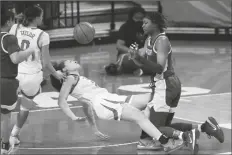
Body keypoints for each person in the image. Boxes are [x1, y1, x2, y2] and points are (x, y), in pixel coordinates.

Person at [49, 60, 201, 154]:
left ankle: (149, 139)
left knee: (154, 100)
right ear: (64, 71)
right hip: (104, 103)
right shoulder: (69, 78)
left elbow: (86, 106)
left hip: (110, 99)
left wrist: (94, 128)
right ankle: (166, 143)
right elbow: (62, 101)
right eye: (68, 61)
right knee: (140, 117)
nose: (72, 60)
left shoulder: (77, 79)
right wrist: (73, 117)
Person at [128, 12, 224, 153]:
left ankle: (185, 137)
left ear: (155, 24)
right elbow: (147, 66)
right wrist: (135, 57)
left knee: (154, 127)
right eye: (142, 23)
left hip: (166, 85)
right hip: (164, 85)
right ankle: (205, 127)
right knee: (165, 126)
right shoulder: (149, 40)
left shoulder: (162, 41)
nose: (142, 25)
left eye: (146, 23)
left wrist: (140, 59)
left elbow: (159, 67)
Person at [8, 5, 64, 147]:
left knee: (5, 108)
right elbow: (46, 63)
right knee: (25, 107)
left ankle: (3, 137)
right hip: (31, 78)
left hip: (13, 74)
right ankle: (14, 134)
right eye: (42, 15)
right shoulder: (43, 35)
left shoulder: (15, 28)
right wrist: (56, 74)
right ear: (37, 17)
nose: (43, 17)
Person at [0, 9, 35, 154]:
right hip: (5, 82)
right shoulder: (9, 39)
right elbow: (15, 58)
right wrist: (29, 50)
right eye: (13, 20)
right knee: (5, 117)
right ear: (8, 22)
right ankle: (5, 146)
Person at [105, 6, 146, 76]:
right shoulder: (125, 27)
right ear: (131, 17)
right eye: (136, 18)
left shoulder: (148, 28)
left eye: (141, 19)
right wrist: (133, 52)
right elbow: (119, 46)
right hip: (128, 55)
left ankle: (138, 69)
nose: (139, 21)